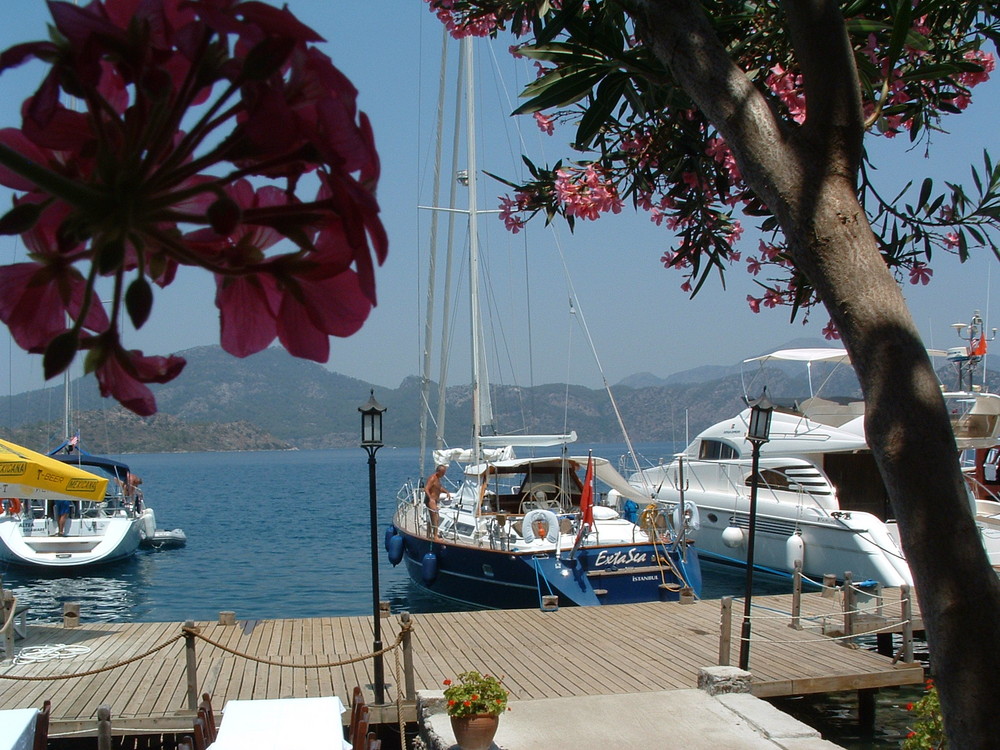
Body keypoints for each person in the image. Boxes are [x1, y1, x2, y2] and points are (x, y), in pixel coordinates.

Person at [423, 464, 451, 540]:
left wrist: (446, 492)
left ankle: (429, 534)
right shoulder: (432, 478)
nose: (444, 474)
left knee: (433, 517)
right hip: (430, 500)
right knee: (435, 517)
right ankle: (435, 536)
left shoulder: (438, 479)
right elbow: (426, 488)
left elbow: (438, 487)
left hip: (435, 500)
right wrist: (430, 498)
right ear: (438, 471)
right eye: (443, 472)